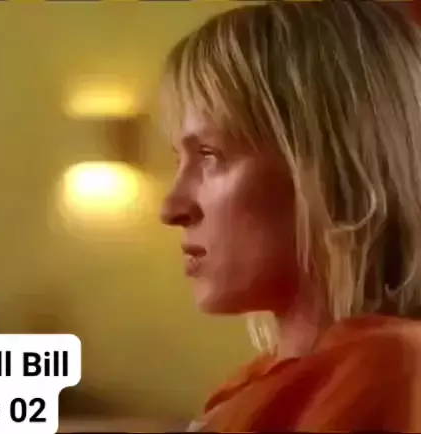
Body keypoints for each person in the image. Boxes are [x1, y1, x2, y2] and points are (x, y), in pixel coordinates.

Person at [159, 1, 421, 432]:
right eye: (179, 159)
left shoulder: (389, 370)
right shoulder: (262, 381)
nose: (171, 209)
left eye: (210, 154)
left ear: (334, 169)